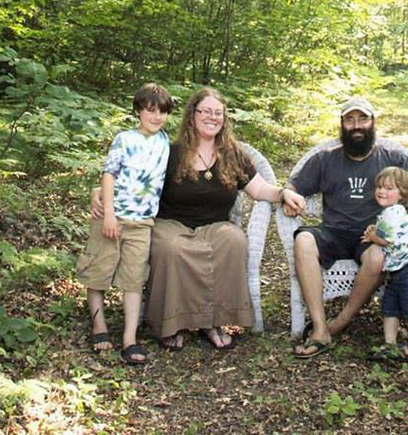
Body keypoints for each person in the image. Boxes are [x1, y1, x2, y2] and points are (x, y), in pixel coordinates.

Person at [93, 87, 305, 351]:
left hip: (215, 224)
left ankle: (213, 322)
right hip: (171, 223)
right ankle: (172, 324)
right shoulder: (170, 152)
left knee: (234, 241)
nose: (212, 117)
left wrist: (283, 193)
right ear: (192, 115)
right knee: (172, 248)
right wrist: (99, 192)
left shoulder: (233, 154)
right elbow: (134, 177)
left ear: (224, 119)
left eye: (218, 113)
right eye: (206, 111)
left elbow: (259, 189)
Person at [282, 97, 408, 358]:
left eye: (362, 119)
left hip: (371, 235)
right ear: (342, 124)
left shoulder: (393, 157)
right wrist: (288, 195)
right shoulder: (325, 159)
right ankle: (320, 329)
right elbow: (293, 186)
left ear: (372, 122)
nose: (357, 126)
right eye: (350, 119)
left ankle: (341, 321)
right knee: (303, 240)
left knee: (377, 256)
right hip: (333, 231)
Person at [77, 82, 174, 365]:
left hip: (142, 222)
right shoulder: (125, 139)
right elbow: (110, 174)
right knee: (99, 270)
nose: (156, 117)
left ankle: (130, 338)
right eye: (150, 111)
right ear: (138, 111)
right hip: (113, 217)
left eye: (162, 112)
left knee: (134, 279)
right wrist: (108, 211)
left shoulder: (165, 142)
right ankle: (99, 326)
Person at [361, 167, 408, 361]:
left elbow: (388, 240)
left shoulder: (394, 212)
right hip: (398, 266)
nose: (381, 191)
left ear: (402, 194)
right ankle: (390, 345)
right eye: (379, 187)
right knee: (390, 305)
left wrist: (372, 237)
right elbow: (385, 232)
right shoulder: (388, 213)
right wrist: (375, 232)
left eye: (389, 188)